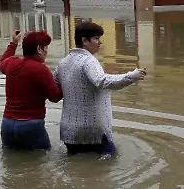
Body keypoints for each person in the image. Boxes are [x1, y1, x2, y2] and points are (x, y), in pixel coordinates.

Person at [54, 22, 146, 158]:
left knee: (75, 167)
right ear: (85, 40)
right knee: (108, 164)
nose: (100, 42)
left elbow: (54, 85)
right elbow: (102, 81)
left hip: (70, 131)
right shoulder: (89, 61)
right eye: (96, 38)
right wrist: (132, 76)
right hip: (94, 132)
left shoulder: (63, 62)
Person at [0, 30, 62, 150]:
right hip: (31, 126)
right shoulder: (41, 70)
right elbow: (55, 97)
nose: (47, 52)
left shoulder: (11, 63)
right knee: (41, 162)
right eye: (46, 48)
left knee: (12, 165)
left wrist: (13, 43)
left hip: (7, 125)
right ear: (39, 49)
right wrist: (63, 80)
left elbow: (1, 62)